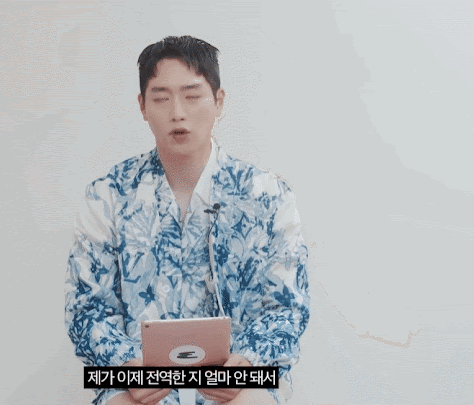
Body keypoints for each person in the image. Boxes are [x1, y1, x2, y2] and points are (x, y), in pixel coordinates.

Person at [65, 35, 310, 405]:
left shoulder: (268, 194)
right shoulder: (107, 195)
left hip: (241, 375)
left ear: (219, 101)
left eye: (192, 96)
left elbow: (287, 307)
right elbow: (86, 308)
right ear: (142, 106)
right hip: (135, 378)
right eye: (161, 98)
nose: (177, 112)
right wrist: (126, 366)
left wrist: (247, 363)